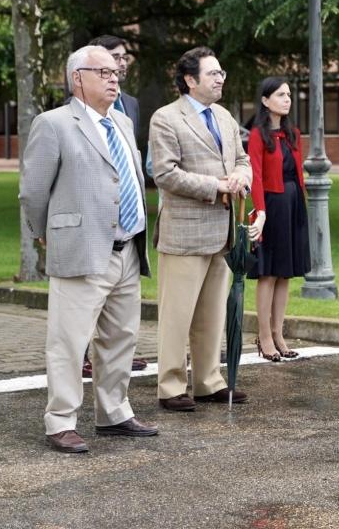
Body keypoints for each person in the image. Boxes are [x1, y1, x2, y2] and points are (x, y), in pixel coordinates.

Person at [19, 45, 157, 453]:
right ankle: (60, 420)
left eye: (116, 72)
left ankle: (113, 412)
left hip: (128, 249)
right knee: (69, 341)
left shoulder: (122, 122)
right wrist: (45, 232)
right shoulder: (53, 124)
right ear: (77, 78)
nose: (114, 78)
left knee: (120, 337)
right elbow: (32, 191)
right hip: (81, 247)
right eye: (104, 72)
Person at [149, 46, 252, 412]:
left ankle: (209, 382)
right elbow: (165, 173)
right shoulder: (166, 118)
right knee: (177, 317)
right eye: (213, 73)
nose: (220, 78)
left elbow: (243, 159)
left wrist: (241, 176)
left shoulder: (224, 116)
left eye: (221, 73)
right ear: (190, 80)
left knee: (212, 315)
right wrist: (216, 186)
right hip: (185, 233)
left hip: (221, 233)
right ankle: (170, 386)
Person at [82, 34, 147, 377]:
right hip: (93, 221)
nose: (120, 64)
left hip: (127, 225)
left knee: (121, 310)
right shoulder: (73, 108)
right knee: (86, 304)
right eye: (113, 58)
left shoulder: (129, 105)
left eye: (123, 58)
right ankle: (84, 355)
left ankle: (115, 358)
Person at [246, 77, 311, 361]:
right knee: (269, 272)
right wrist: (260, 212)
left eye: (288, 95)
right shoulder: (257, 135)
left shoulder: (292, 133)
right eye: (280, 95)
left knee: (285, 272)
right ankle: (263, 337)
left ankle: (278, 333)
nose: (287, 99)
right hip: (271, 206)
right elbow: (256, 176)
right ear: (265, 100)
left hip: (293, 203)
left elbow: (297, 173)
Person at [88, 35, 141, 139]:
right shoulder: (84, 102)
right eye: (115, 57)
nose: (123, 63)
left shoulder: (132, 103)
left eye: (124, 57)